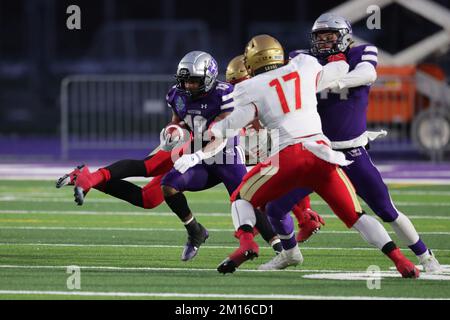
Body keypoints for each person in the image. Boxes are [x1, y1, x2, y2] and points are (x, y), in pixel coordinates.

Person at [204, 34, 419, 278]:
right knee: (357, 217)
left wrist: (214, 129)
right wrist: (337, 53)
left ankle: (246, 244)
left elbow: (233, 123)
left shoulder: (249, 86)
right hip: (324, 155)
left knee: (240, 197)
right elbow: (338, 68)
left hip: (290, 155)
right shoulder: (304, 65)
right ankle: (401, 261)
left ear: (253, 60)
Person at [56, 51, 283, 261]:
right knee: (151, 170)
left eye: (193, 80)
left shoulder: (227, 97)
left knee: (152, 194)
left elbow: (221, 136)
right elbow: (178, 123)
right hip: (189, 146)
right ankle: (90, 178)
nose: (188, 85)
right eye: (185, 80)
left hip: (217, 153)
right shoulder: (178, 95)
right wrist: (172, 131)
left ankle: (276, 246)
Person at [282, 12, 440, 272]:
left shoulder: (362, 52)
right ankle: (286, 254)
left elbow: (367, 74)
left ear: (344, 37)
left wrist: (328, 82)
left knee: (386, 209)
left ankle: (425, 255)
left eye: (329, 36)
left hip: (350, 151)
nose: (323, 42)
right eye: (319, 37)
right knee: (276, 204)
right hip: (314, 152)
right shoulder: (303, 58)